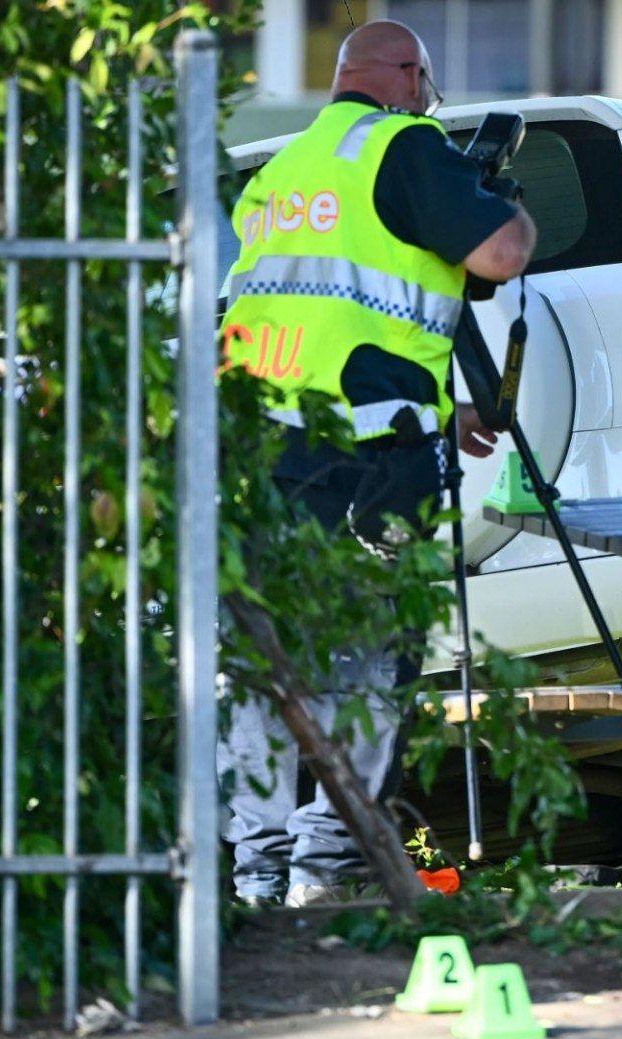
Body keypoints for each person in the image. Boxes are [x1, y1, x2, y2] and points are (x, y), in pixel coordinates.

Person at [216, 20, 537, 908]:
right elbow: (499, 255)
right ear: (406, 75)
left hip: (262, 454)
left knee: (263, 664)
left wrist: (452, 406)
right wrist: (502, 195)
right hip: (371, 462)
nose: (429, 102)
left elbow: (327, 318)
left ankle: (255, 872)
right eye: (427, 86)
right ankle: (329, 866)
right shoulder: (406, 144)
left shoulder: (277, 174)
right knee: (369, 664)